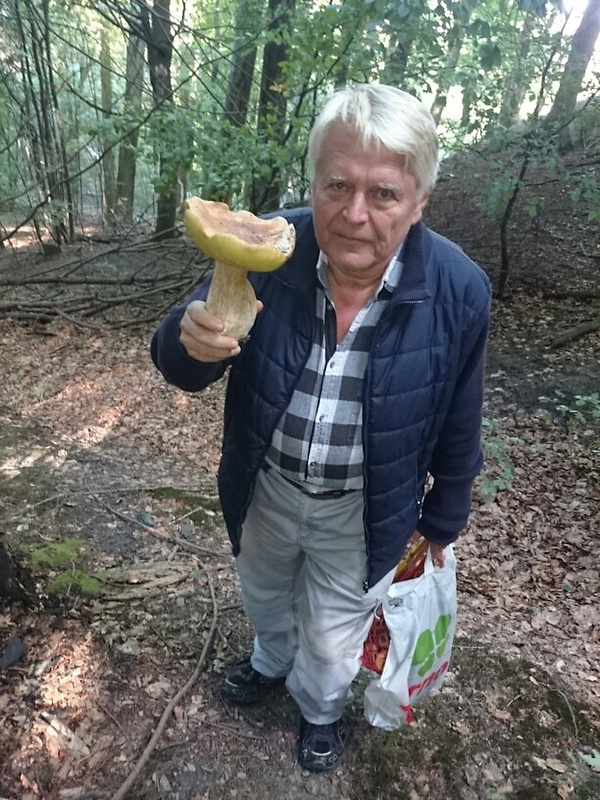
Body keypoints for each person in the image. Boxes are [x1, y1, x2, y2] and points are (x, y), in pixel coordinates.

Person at [151, 83, 491, 773]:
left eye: (385, 194)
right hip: (266, 485)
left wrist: (444, 517)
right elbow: (179, 361)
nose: (354, 214)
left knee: (336, 638)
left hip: (365, 510)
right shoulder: (267, 248)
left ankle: (319, 709)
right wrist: (187, 344)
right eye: (337, 185)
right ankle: (269, 660)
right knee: (266, 594)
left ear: (420, 201)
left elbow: (461, 410)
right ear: (314, 181)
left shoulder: (458, 291)